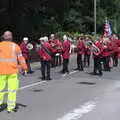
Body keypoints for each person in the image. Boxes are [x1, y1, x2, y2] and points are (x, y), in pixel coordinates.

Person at [0, 31, 27, 113]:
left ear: (4, 37)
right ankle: (10, 107)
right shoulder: (16, 47)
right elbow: (21, 59)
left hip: (1, 72)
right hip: (12, 72)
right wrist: (24, 69)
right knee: (12, 90)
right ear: (11, 37)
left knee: (0, 89)